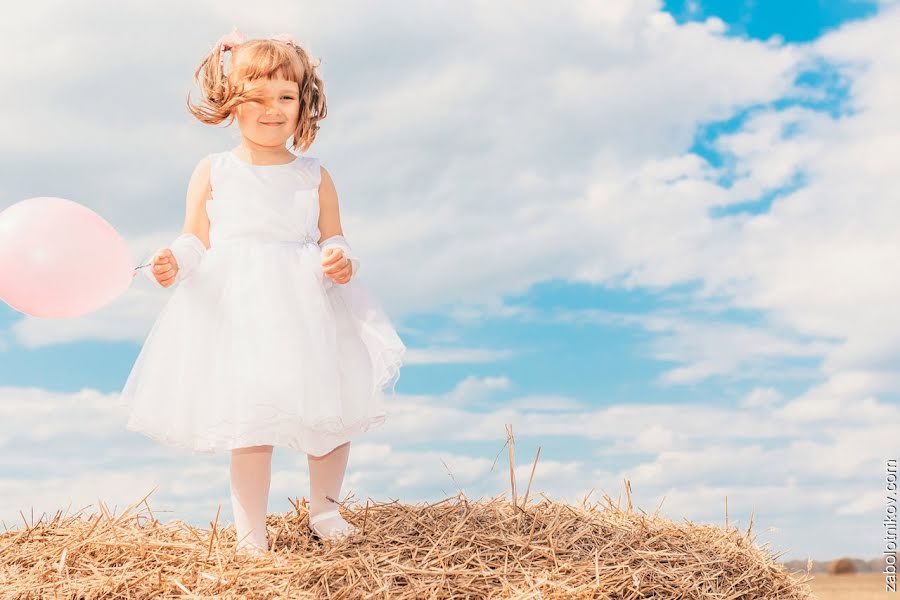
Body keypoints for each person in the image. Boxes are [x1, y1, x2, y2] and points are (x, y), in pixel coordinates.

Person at [119, 26, 406, 555]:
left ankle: (326, 510)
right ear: (231, 102)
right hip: (242, 307)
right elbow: (194, 238)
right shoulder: (214, 170)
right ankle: (252, 532)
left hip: (308, 302)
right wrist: (172, 263)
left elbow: (333, 234)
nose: (272, 109)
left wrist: (343, 258)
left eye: (285, 97)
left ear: (304, 104)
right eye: (256, 97)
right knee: (250, 420)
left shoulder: (314, 174)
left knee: (331, 408)